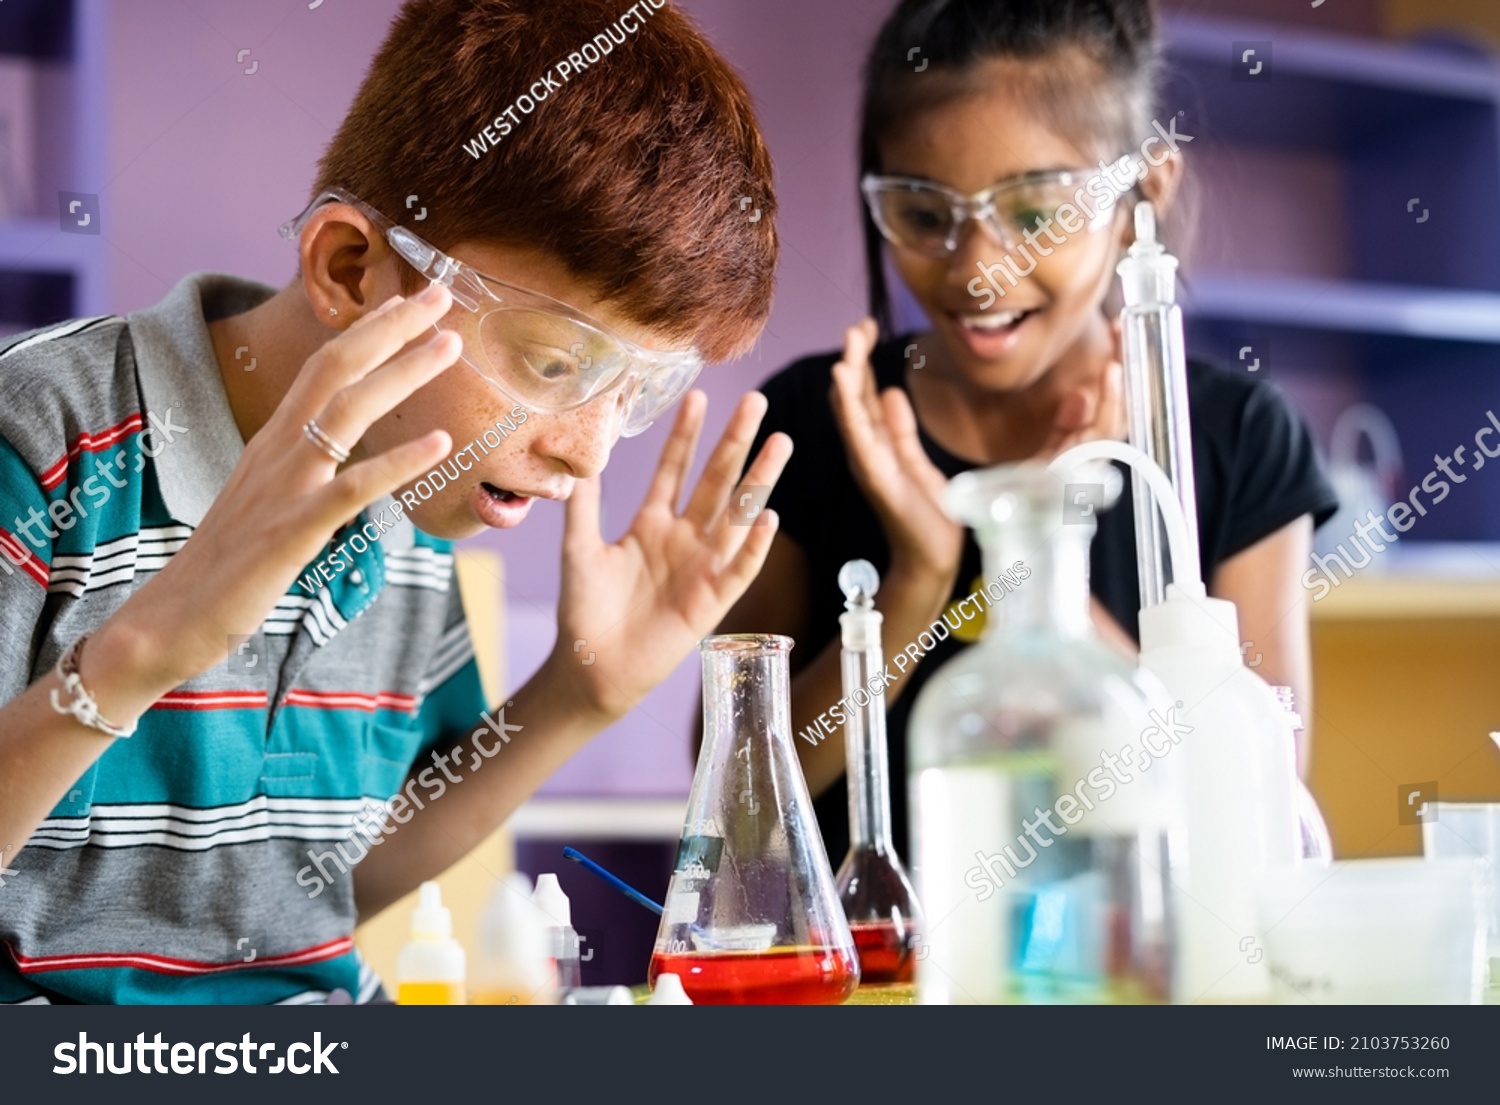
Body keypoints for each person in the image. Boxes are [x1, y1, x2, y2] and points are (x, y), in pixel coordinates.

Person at [0, 0, 788, 1004]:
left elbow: (334, 887)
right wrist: (141, 650)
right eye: (554, 363)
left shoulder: (409, 512)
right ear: (349, 267)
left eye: (636, 392)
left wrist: (575, 698)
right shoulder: (39, 438)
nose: (587, 452)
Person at [716, 0, 1338, 866]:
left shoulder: (1239, 439)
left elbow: (1257, 805)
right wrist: (916, 584)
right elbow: (736, 795)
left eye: (1038, 213)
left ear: (1143, 193)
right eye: (927, 216)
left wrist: (1036, 562)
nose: (976, 268)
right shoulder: (811, 425)